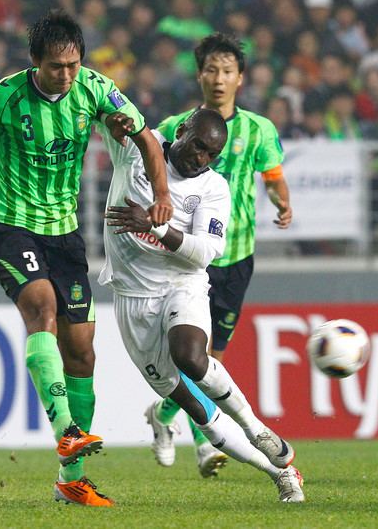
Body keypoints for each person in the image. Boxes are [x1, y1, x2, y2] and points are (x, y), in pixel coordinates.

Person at [0, 8, 172, 507]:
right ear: (35, 63)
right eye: (56, 67)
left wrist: (162, 194)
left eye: (72, 65)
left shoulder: (95, 88)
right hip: (11, 226)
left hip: (66, 236)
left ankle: (72, 480)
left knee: (83, 351)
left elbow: (147, 140)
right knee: (42, 309)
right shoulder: (3, 97)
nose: (66, 76)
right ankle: (66, 428)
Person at [99, 109, 304, 503]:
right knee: (201, 415)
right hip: (132, 297)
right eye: (198, 146)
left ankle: (254, 425)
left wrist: (155, 226)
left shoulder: (214, 188)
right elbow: (105, 115)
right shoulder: (140, 149)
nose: (202, 158)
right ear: (181, 132)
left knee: (191, 357)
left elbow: (205, 253)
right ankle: (279, 472)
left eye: (212, 153)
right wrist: (111, 120)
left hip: (182, 284)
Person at [142, 32, 292, 477]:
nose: (219, 78)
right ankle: (208, 442)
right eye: (212, 69)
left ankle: (164, 416)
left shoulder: (259, 129)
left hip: (236, 256)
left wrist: (282, 200)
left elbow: (273, 176)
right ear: (200, 75)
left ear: (241, 78)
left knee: (211, 362)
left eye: (228, 71)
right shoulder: (175, 127)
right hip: (185, 262)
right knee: (196, 355)